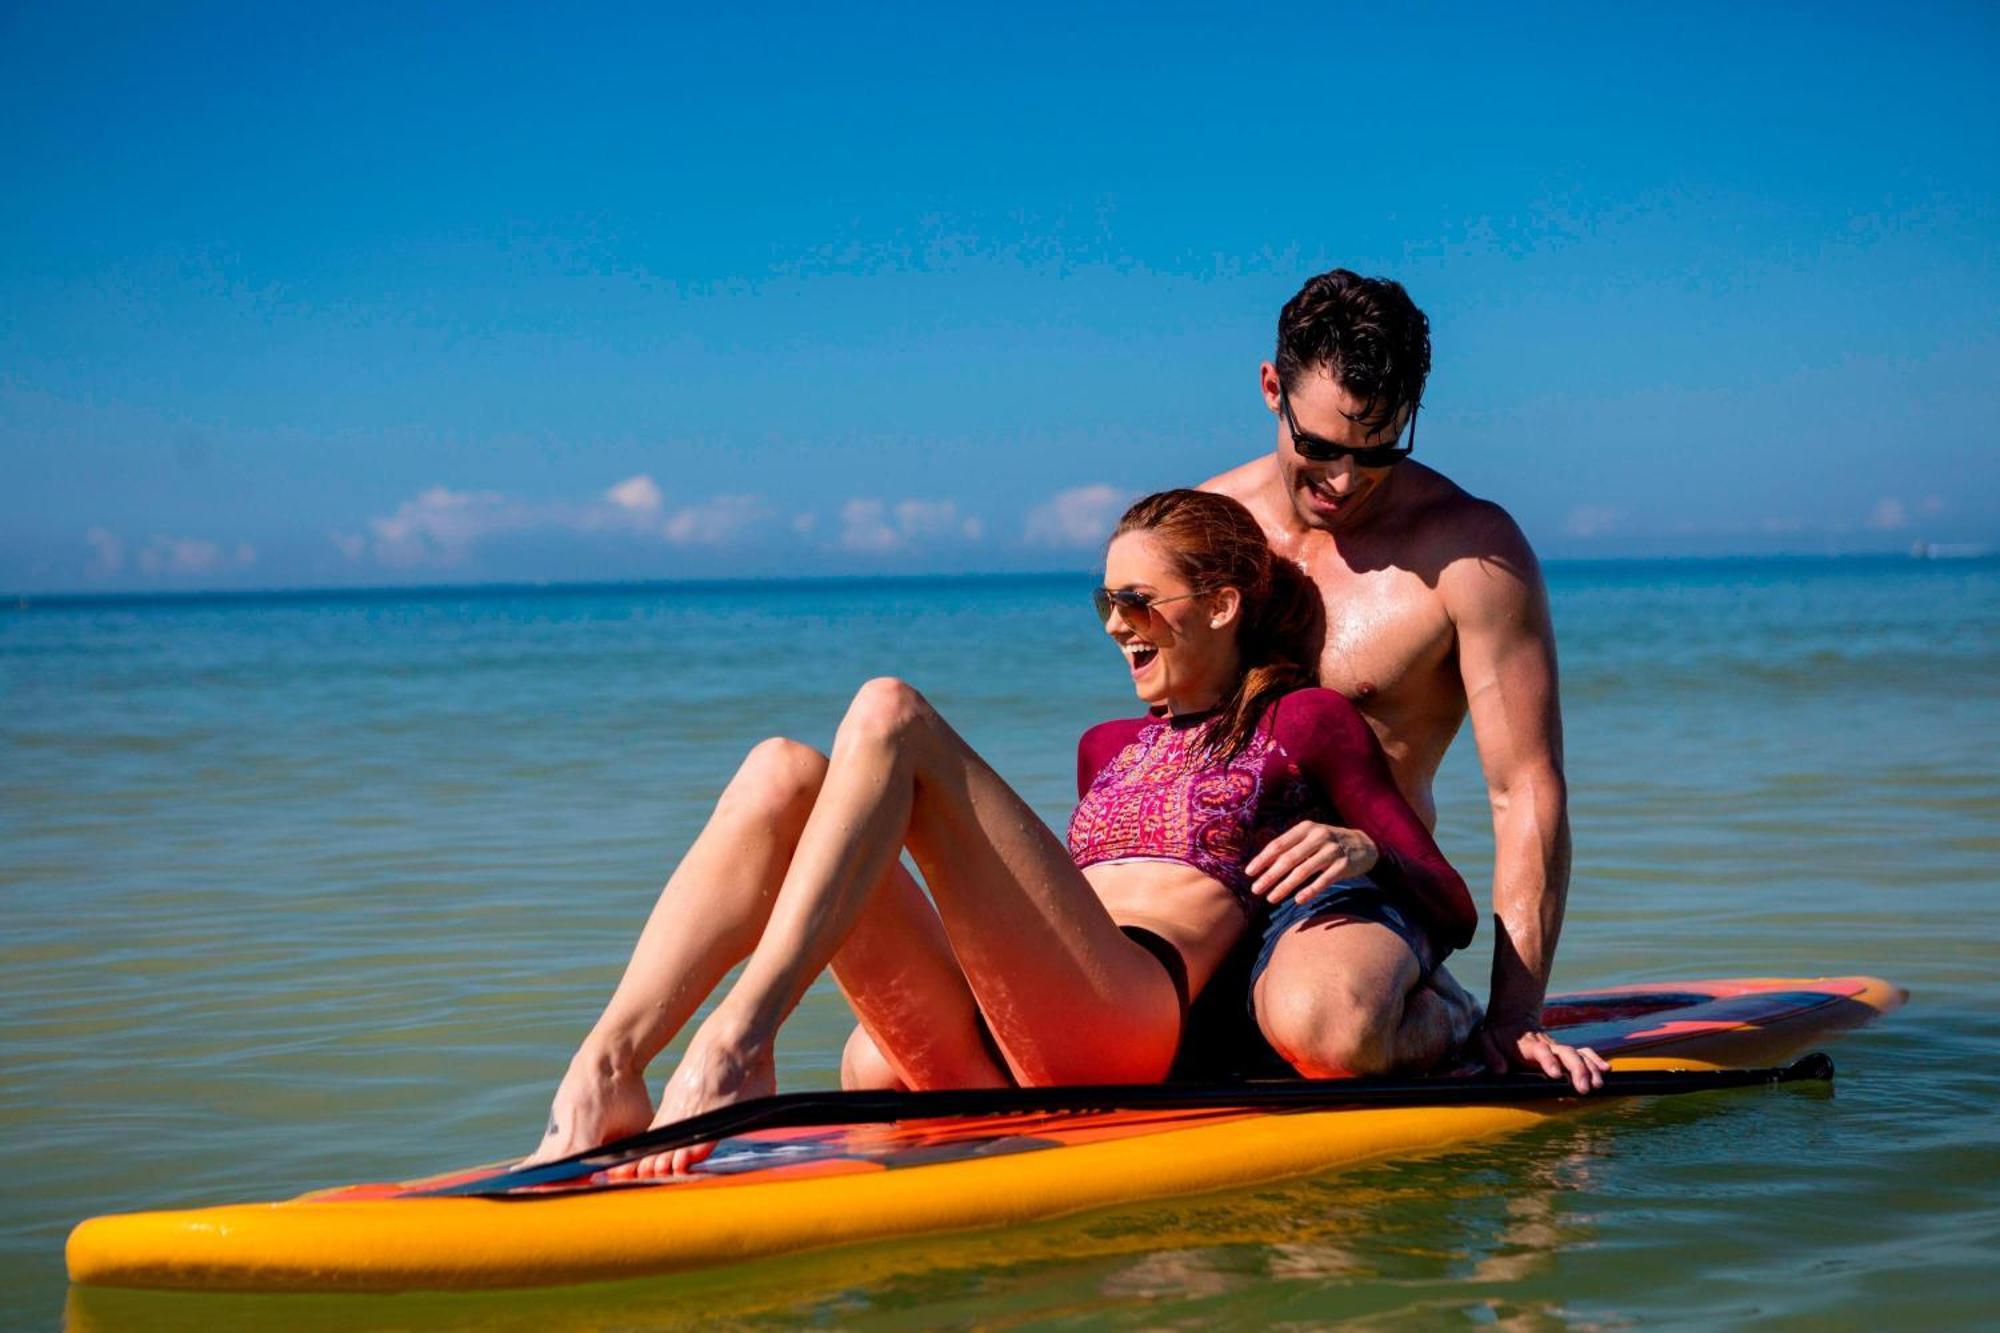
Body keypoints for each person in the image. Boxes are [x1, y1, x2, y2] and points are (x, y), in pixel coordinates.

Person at [525, 489, 1477, 1175]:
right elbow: (1032, 918)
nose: (1116, 624)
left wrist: (1369, 855)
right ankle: (608, 1065)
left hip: (1122, 1024)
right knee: (783, 769)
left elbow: (1448, 897)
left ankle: (739, 1038)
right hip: (1012, 1028)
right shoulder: (1103, 745)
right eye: (1105, 601)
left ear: (1222, 606)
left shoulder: (1304, 721)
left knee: (890, 712)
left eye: (1140, 600)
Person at [1200, 269, 1608, 1093]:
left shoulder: (1469, 554)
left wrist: (1514, 1014)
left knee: (1326, 1026)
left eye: (1376, 452)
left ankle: (1440, 1009)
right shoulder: (1210, 523)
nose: (1344, 482)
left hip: (1367, 895)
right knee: (901, 1053)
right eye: (1318, 447)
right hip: (1206, 887)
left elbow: (1524, 789)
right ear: (1271, 389)